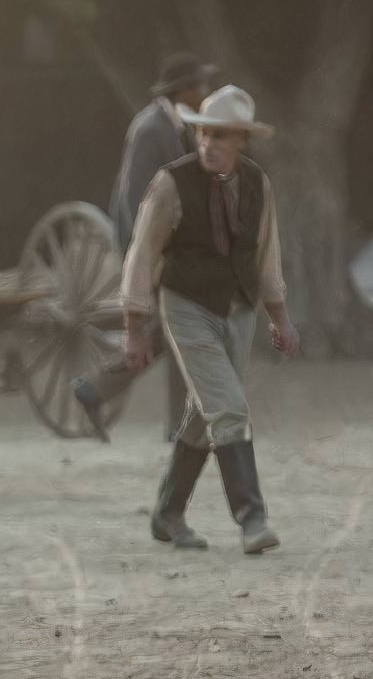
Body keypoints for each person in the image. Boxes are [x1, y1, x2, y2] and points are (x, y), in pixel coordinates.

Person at [119, 85, 300, 554]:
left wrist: (280, 318)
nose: (208, 145)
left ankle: (167, 512)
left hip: (239, 309)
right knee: (230, 409)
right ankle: (252, 518)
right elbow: (142, 256)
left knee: (207, 412)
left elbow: (267, 256)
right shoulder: (170, 183)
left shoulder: (258, 183)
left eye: (220, 136)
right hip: (185, 305)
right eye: (202, 134)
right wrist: (135, 327)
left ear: (241, 139)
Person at [74, 52, 216, 441]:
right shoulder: (150, 128)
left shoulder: (181, 125)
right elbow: (134, 196)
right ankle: (178, 424)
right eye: (200, 84)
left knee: (171, 330)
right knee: (180, 327)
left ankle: (95, 388)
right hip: (146, 244)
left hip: (169, 244)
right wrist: (150, 254)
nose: (205, 91)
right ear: (184, 89)